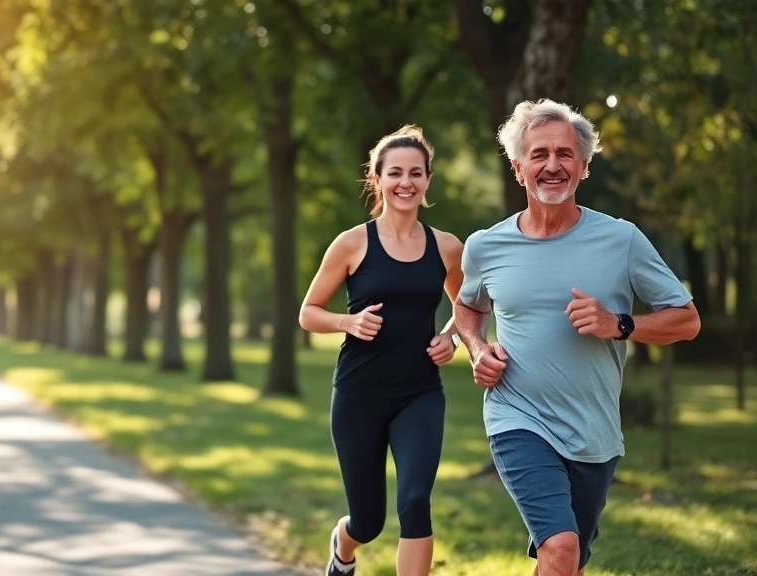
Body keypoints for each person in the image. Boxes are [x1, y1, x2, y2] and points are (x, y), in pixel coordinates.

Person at [454, 99, 701, 576]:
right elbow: (468, 306)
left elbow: (687, 320)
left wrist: (620, 324)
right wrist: (478, 348)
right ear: (518, 168)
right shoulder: (485, 246)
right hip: (517, 416)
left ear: (584, 166)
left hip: (594, 432)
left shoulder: (622, 240)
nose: (553, 165)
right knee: (562, 548)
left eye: (565, 154)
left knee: (567, 562)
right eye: (539, 154)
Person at [299, 125, 465, 576]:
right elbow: (308, 312)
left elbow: (470, 306)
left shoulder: (447, 247)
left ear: (428, 179)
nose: (405, 182)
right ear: (377, 178)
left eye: (415, 173)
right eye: (395, 173)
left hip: (419, 393)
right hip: (359, 395)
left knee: (415, 501)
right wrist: (347, 322)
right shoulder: (352, 243)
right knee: (368, 522)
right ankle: (343, 545)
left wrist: (451, 336)